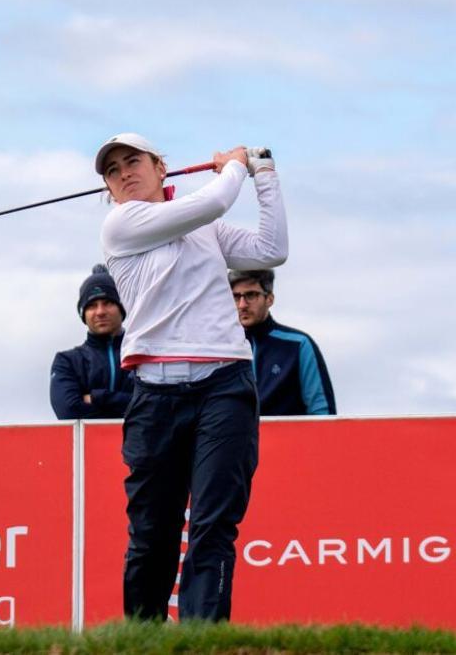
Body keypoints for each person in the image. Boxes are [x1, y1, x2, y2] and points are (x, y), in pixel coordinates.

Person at [96, 133, 287, 622]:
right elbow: (217, 199)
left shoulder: (206, 228)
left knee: (213, 525)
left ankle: (203, 641)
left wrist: (264, 174)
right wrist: (235, 165)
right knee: (152, 533)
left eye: (132, 161)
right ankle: (143, 639)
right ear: (110, 192)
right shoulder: (122, 224)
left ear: (161, 167)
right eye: (113, 171)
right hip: (154, 394)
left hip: (224, 385)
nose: (124, 173)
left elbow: (271, 249)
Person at [228, 269, 336, 415]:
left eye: (251, 295)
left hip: (289, 437)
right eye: (236, 296)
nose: (242, 305)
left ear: (269, 299)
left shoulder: (298, 345)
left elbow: (322, 412)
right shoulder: (219, 349)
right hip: (234, 437)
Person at [49, 264, 135, 419]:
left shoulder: (143, 356)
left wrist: (98, 397)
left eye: (108, 303)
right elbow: (68, 411)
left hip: (139, 443)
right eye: (92, 306)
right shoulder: (67, 362)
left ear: (122, 308)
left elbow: (156, 408)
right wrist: (125, 404)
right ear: (83, 313)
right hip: (90, 444)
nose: (100, 312)